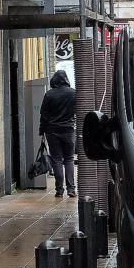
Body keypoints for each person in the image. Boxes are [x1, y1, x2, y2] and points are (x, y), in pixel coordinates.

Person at [39, 69, 76, 198]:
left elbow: (43, 114)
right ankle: (71, 189)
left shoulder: (49, 95)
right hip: (68, 130)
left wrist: (41, 130)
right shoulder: (73, 93)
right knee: (69, 159)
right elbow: (77, 110)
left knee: (57, 160)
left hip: (52, 131)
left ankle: (59, 190)